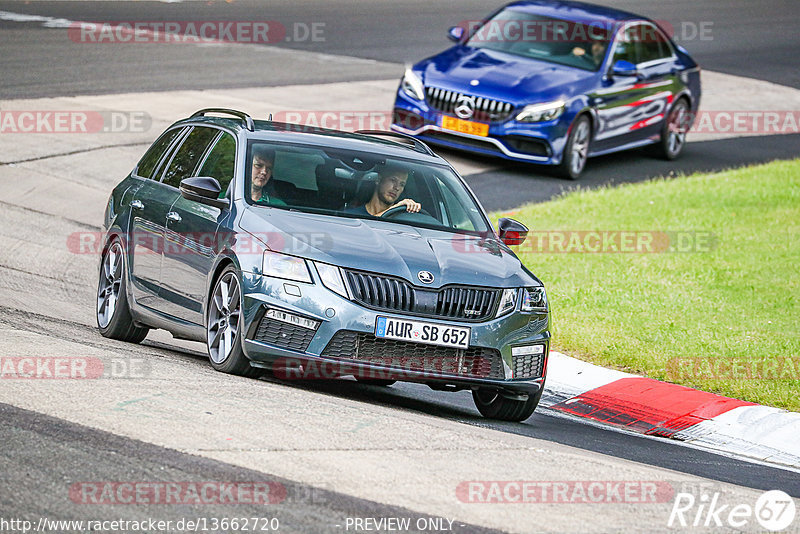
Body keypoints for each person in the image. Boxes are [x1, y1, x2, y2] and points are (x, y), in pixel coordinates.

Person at [347, 165, 421, 217]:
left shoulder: (402, 219)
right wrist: (394, 208)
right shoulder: (352, 216)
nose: (397, 188)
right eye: (393, 180)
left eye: (402, 184)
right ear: (378, 180)